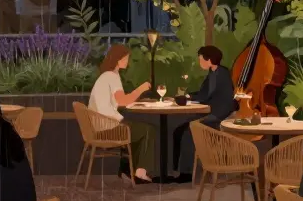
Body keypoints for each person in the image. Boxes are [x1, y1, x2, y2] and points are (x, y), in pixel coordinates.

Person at [88, 43, 157, 183]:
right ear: (117, 59)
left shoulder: (106, 76)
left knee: (137, 129)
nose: (127, 61)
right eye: (125, 59)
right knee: (148, 130)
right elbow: (123, 101)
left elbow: (116, 101)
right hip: (108, 129)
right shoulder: (111, 76)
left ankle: (129, 170)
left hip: (100, 127)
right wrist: (141, 89)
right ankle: (139, 172)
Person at [170, 45, 236, 183]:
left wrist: (190, 98)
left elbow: (209, 97)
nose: (200, 62)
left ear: (209, 60)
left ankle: (186, 173)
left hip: (219, 116)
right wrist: (189, 96)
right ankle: (175, 169)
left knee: (189, 131)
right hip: (211, 112)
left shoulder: (221, 74)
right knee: (178, 130)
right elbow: (203, 93)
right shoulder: (213, 73)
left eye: (201, 59)